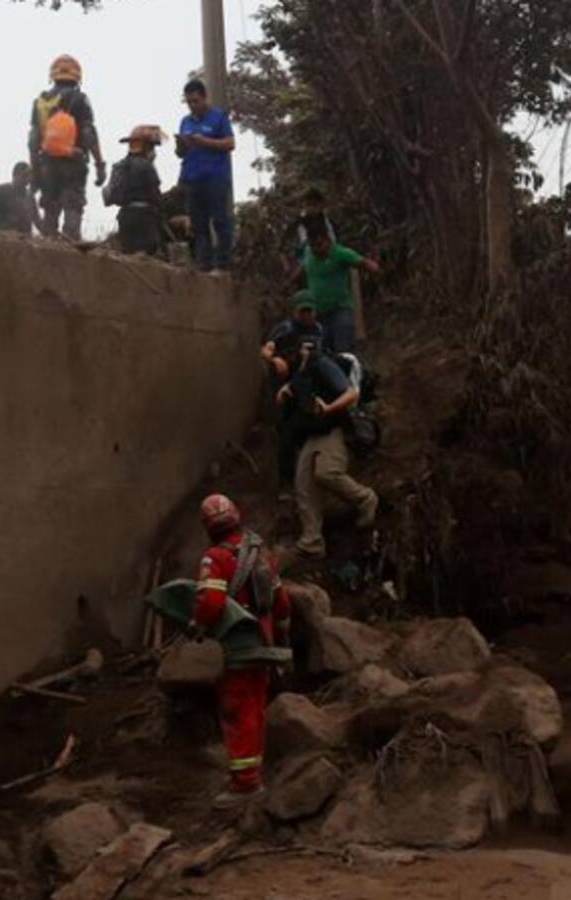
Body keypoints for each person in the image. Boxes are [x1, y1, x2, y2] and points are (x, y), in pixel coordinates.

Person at [193, 494, 291, 808]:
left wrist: (197, 625)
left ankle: (245, 783)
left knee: (237, 710)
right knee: (256, 706)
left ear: (208, 526)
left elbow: (210, 604)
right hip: (263, 643)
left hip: (237, 645)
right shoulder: (259, 553)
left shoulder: (216, 558)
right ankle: (254, 772)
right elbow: (282, 603)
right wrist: (279, 634)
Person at [279, 344, 379, 560]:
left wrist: (328, 409)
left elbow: (351, 394)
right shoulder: (300, 376)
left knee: (326, 472)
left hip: (334, 428)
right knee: (303, 483)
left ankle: (365, 499)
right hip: (313, 433)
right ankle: (312, 541)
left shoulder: (321, 364)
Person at [28, 54, 107, 241]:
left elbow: (33, 139)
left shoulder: (41, 102)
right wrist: (99, 165)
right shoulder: (80, 99)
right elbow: (89, 134)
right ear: (77, 76)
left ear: (52, 76)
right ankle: (71, 243)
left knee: (50, 207)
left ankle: (49, 244)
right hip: (74, 161)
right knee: (73, 204)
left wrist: (35, 169)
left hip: (47, 162)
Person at [261, 292, 328, 489]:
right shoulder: (285, 328)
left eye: (310, 310)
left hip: (308, 387)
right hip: (285, 387)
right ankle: (286, 483)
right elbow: (265, 349)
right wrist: (274, 359)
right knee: (286, 435)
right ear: (295, 310)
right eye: (303, 311)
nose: (307, 315)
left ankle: (311, 478)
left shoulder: (319, 330)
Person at [176, 79, 235, 272]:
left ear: (204, 98)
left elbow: (229, 143)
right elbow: (180, 153)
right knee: (198, 224)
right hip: (193, 178)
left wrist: (204, 141)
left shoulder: (218, 117)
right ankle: (204, 264)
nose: (193, 106)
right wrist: (182, 145)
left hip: (215, 177)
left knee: (220, 220)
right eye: (189, 102)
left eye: (195, 101)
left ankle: (223, 263)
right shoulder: (185, 121)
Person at [293, 229, 380, 354]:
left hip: (340, 310)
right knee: (323, 352)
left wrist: (378, 270)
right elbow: (301, 270)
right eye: (312, 246)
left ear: (328, 241)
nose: (316, 249)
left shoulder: (341, 254)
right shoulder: (309, 255)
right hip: (319, 314)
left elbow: (364, 263)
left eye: (319, 245)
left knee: (343, 350)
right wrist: (286, 284)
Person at [103, 125, 164, 255]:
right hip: (144, 218)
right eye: (152, 146)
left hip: (124, 216)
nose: (153, 151)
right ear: (146, 146)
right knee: (146, 255)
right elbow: (155, 195)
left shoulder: (119, 166)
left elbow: (110, 195)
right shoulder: (147, 167)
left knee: (128, 254)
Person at [283, 187, 337, 275]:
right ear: (303, 205)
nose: (311, 208)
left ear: (321, 205)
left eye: (315, 205)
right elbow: (283, 248)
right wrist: (287, 266)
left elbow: (335, 242)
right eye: (308, 204)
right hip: (302, 263)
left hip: (327, 260)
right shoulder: (297, 224)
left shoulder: (329, 223)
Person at [0, 162, 42, 234]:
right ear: (14, 175)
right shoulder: (2, 190)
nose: (27, 179)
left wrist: (48, 232)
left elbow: (36, 219)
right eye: (24, 176)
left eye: (28, 176)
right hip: (5, 237)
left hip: (25, 239)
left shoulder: (30, 197)